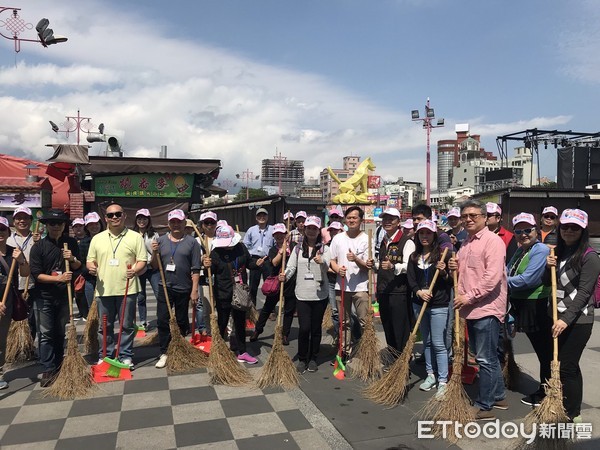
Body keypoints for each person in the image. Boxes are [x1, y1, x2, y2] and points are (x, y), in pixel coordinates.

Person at [448, 199, 508, 420]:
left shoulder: (492, 242)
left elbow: (491, 278)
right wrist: (454, 266)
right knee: (485, 356)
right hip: (471, 308)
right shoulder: (466, 242)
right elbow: (466, 273)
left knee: (485, 359)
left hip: (486, 308)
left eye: (474, 215)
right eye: (465, 216)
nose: (469, 219)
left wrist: (468, 297)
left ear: (484, 217)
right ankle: (499, 396)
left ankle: (485, 405)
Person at [545, 208, 600, 422]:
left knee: (568, 365)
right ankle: (562, 401)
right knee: (561, 363)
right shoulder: (557, 252)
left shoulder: (590, 257)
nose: (569, 231)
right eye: (565, 226)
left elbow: (585, 292)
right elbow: (547, 282)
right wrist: (546, 267)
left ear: (583, 230)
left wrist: (565, 320)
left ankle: (571, 411)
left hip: (578, 319)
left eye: (574, 227)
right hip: (555, 316)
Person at [87, 204, 147, 369]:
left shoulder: (135, 237)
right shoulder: (97, 238)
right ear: (105, 218)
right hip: (104, 289)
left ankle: (125, 355)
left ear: (124, 216)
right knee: (104, 326)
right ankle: (105, 354)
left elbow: (142, 260)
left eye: (118, 214)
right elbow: (90, 260)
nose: (114, 217)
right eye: (111, 215)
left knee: (126, 324)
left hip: (128, 289)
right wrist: (91, 267)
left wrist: (135, 269)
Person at [29, 209, 81, 386]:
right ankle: (48, 368)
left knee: (60, 331)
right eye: (52, 223)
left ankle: (59, 365)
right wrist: (58, 278)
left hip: (64, 295)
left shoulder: (70, 243)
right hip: (44, 296)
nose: (56, 226)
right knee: (45, 333)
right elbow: (37, 275)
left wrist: (72, 258)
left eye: (59, 223)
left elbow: (78, 266)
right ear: (46, 226)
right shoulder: (38, 247)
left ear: (64, 225)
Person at [505, 213, 551, 407]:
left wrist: (498, 282)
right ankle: (546, 387)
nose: (523, 234)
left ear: (536, 230)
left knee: (544, 351)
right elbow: (507, 270)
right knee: (541, 349)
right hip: (521, 304)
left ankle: (547, 390)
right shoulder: (521, 250)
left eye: (527, 230)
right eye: (518, 231)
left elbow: (528, 279)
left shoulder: (540, 249)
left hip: (536, 306)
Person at [151, 209, 202, 369]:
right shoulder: (160, 241)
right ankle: (164, 351)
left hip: (184, 287)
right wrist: (154, 252)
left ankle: (179, 347)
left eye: (179, 221)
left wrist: (194, 290)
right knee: (162, 319)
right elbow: (154, 265)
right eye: (172, 221)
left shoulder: (192, 242)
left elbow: (195, 268)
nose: (176, 224)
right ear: (168, 223)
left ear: (184, 222)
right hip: (165, 287)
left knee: (181, 320)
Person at [408, 220, 451, 397]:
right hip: (419, 303)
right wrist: (419, 292)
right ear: (417, 236)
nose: (424, 236)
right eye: (421, 233)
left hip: (438, 304)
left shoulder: (442, 256)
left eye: (428, 233)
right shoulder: (413, 256)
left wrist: (443, 272)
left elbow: (449, 282)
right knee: (426, 342)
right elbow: (411, 280)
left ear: (434, 235)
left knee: (439, 343)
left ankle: (443, 380)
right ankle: (430, 375)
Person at [282, 216, 330, 373]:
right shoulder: (297, 249)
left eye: (314, 228)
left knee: (316, 328)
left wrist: (322, 261)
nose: (311, 231)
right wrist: (284, 276)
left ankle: (313, 358)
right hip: (302, 295)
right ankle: (302, 358)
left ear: (318, 231)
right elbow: (291, 268)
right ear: (304, 230)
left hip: (319, 296)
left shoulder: (325, 249)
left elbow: (328, 267)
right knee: (304, 328)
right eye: (308, 228)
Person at [204, 223, 258, 364]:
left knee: (240, 323)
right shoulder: (216, 252)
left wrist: (257, 263)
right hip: (223, 292)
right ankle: (219, 351)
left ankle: (242, 351)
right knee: (222, 322)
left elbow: (249, 263)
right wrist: (206, 266)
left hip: (239, 290)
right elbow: (209, 273)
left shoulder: (241, 248)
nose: (227, 246)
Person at [329, 206, 374, 359]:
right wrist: (337, 270)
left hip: (361, 287)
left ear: (361, 220)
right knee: (344, 322)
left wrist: (356, 259)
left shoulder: (367, 239)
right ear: (345, 220)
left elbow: (368, 266)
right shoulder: (338, 238)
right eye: (349, 218)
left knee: (365, 322)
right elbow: (332, 261)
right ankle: (344, 351)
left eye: (355, 217)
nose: (352, 220)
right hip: (341, 286)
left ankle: (368, 352)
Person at [375, 208, 415, 367]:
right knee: (388, 327)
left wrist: (394, 266)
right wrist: (375, 265)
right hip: (384, 290)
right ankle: (392, 358)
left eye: (391, 219)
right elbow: (382, 264)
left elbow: (409, 266)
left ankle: (402, 362)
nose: (387, 222)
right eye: (385, 219)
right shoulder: (384, 240)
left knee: (400, 329)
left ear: (399, 222)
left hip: (399, 292)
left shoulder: (407, 242)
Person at [251, 223, 297, 345]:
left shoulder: (294, 247)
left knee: (289, 310)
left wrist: (287, 248)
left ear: (285, 234)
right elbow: (275, 263)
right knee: (267, 308)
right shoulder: (272, 249)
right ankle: (258, 330)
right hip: (276, 283)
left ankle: (285, 334)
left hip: (290, 283)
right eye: (276, 235)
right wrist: (281, 251)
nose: (279, 237)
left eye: (281, 234)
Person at [0, 216, 30, 390]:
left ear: (8, 231)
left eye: (2, 229)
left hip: (8, 299)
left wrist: (21, 260)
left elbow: (25, 273)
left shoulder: (13, 251)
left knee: (1, 337)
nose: (0, 233)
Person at [7, 206, 41, 343]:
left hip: (32, 284)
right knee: (13, 318)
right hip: (13, 285)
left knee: (31, 319)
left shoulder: (36, 239)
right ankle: (13, 346)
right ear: (14, 221)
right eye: (19, 218)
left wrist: (38, 244)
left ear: (31, 220)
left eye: (25, 218)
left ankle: (28, 346)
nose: (22, 221)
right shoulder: (8, 239)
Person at [133, 208, 160, 330]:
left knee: (158, 294)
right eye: (139, 218)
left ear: (148, 220)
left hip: (152, 268)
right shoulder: (132, 234)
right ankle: (143, 321)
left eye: (144, 219)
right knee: (141, 296)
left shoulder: (154, 234)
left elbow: (156, 252)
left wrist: (155, 250)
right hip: (139, 269)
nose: (142, 221)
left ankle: (161, 318)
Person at [243, 207, 273, 306]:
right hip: (255, 259)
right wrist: (250, 256)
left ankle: (270, 310)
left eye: (264, 215)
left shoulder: (272, 229)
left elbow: (276, 244)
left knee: (269, 286)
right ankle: (252, 309)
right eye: (259, 215)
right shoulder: (251, 230)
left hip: (268, 260)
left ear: (267, 217)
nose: (262, 217)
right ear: (256, 218)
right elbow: (245, 245)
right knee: (253, 286)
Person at [195, 211, 218, 335]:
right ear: (202, 224)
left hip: (220, 278)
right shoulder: (197, 241)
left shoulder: (220, 238)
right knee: (207, 307)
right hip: (205, 278)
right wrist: (201, 259)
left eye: (212, 222)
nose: (209, 225)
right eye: (206, 222)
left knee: (222, 306)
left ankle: (226, 332)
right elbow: (193, 260)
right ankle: (209, 332)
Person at [78, 212, 103, 315]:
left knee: (105, 307)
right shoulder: (83, 243)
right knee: (92, 308)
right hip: (90, 279)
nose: (94, 227)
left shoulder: (108, 239)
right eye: (91, 224)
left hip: (105, 279)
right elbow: (81, 263)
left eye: (96, 223)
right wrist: (89, 270)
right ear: (87, 227)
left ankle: (105, 329)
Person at [71, 218, 89, 319]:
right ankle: (81, 312)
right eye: (76, 226)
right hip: (74, 270)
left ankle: (87, 312)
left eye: (80, 226)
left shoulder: (89, 239)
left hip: (87, 269)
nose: (78, 228)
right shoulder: (71, 241)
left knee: (85, 292)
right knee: (77, 292)